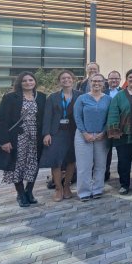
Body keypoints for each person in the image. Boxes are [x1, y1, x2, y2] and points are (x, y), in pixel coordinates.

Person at [0, 72, 47, 207]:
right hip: (17, 137)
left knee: (33, 164)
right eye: (24, 81)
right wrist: (4, 141)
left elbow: (44, 118)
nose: (28, 82)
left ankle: (29, 191)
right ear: (20, 82)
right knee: (17, 165)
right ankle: (20, 194)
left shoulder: (41, 97)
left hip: (35, 137)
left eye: (31, 80)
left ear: (35, 82)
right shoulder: (10, 97)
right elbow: (2, 120)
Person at [41, 70, 81, 202]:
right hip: (56, 132)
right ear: (59, 81)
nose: (66, 80)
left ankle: (67, 186)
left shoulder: (80, 96)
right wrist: (46, 133)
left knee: (71, 160)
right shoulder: (52, 97)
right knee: (56, 161)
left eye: (68, 78)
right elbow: (47, 116)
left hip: (73, 132)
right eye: (63, 78)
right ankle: (58, 188)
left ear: (73, 79)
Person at [107, 69, 132, 195]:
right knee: (124, 162)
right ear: (126, 79)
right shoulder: (119, 96)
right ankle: (124, 184)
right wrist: (115, 132)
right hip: (124, 135)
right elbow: (113, 113)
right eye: (130, 77)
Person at [73, 73, 111, 201]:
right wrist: (84, 133)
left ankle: (97, 189)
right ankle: (84, 192)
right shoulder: (82, 98)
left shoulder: (108, 99)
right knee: (84, 165)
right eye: (94, 81)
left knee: (100, 164)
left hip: (101, 136)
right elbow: (77, 117)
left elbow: (110, 118)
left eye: (99, 81)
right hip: (83, 135)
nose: (96, 83)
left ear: (104, 83)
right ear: (89, 82)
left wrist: (104, 132)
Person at [104, 70, 121, 181]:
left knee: (121, 152)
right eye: (111, 78)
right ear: (108, 80)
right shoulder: (102, 92)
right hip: (106, 127)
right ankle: (105, 173)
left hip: (120, 127)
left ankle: (122, 174)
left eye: (116, 78)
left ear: (120, 80)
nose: (114, 80)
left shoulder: (125, 92)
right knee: (106, 152)